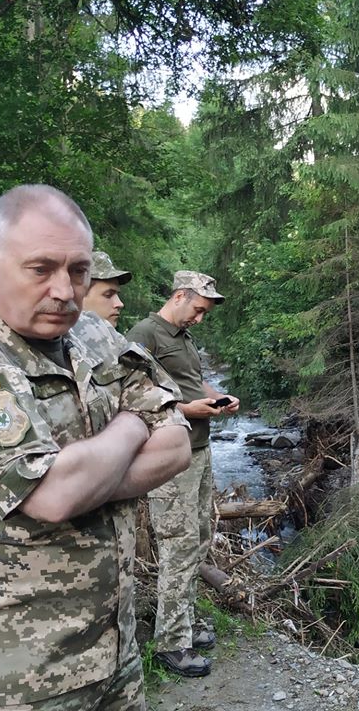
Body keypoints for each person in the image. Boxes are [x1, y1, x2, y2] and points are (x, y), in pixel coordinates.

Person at [0, 185, 192, 711]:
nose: (64, 290)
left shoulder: (96, 335)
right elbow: (52, 495)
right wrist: (129, 425)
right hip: (16, 678)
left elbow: (178, 444)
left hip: (117, 658)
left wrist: (84, 477)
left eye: (78, 271)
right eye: (40, 269)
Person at [126, 271, 239, 678]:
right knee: (178, 542)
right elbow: (132, 392)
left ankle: (184, 624)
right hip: (171, 454)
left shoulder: (183, 336)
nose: (200, 318)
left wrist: (215, 398)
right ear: (179, 296)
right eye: (198, 309)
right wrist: (185, 410)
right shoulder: (145, 333)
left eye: (204, 313)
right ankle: (172, 645)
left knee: (197, 537)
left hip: (200, 447)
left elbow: (192, 382)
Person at [83, 250, 132, 328]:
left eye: (117, 295)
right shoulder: (64, 338)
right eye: (108, 295)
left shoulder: (112, 338)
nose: (120, 304)